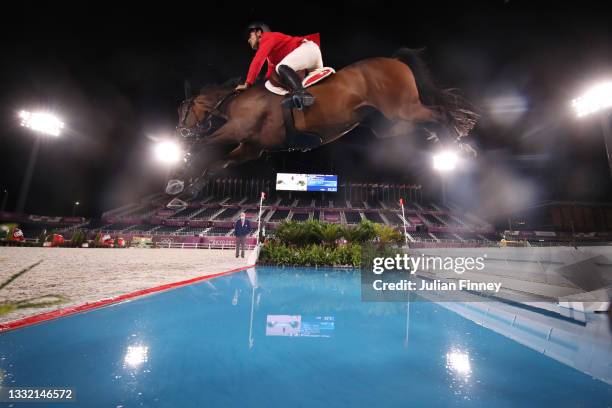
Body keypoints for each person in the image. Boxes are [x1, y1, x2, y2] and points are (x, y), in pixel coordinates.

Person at [235, 22, 323, 110]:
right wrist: (256, 89)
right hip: (311, 56)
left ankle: (302, 94)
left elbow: (258, 61)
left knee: (281, 67)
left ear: (258, 33)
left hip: (308, 50)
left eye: (249, 36)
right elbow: (269, 75)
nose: (248, 40)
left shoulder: (268, 37)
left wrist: (248, 84)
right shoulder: (271, 56)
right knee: (318, 87)